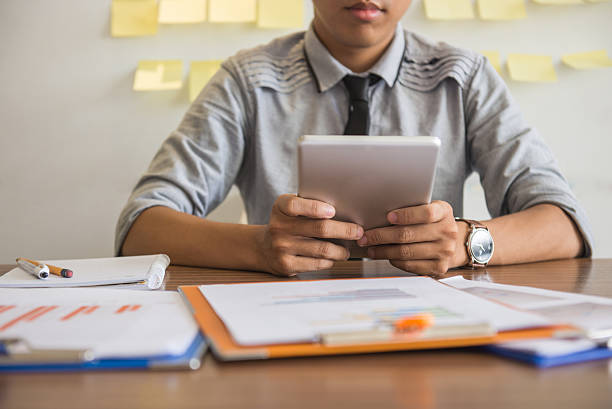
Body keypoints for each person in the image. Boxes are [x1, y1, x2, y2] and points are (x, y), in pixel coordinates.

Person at [116, 0, 592, 276]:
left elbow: (564, 225)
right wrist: (260, 247)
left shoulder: (463, 77)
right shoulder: (249, 80)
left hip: (429, 323)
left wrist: (468, 241)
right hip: (282, 320)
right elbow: (141, 228)